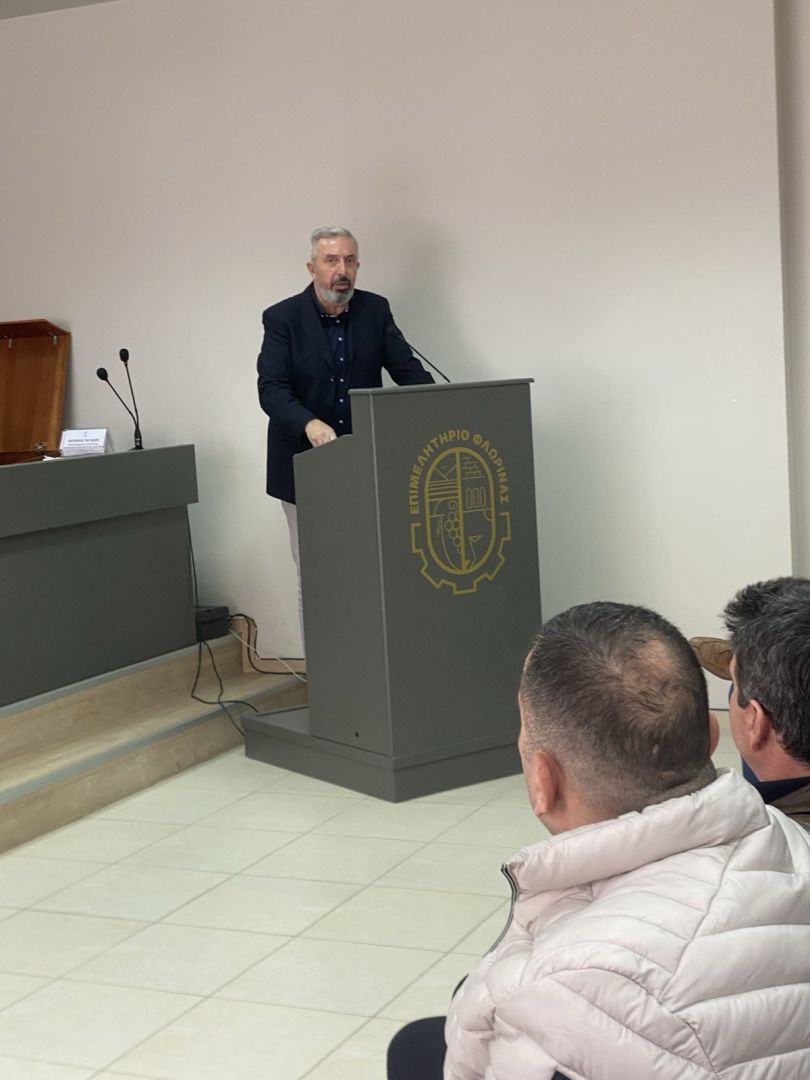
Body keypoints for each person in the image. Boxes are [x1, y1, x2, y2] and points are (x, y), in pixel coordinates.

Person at [389, 601, 810, 1080]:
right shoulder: (787, 833)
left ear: (542, 783)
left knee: (414, 1047)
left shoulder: (568, 986)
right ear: (711, 735)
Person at [256, 227, 433, 641]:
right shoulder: (282, 319)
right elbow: (271, 388)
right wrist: (309, 423)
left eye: (350, 261)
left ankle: (367, 662)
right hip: (304, 469)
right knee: (318, 575)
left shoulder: (375, 311)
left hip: (365, 466)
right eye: (332, 260)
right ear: (312, 267)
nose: (343, 270)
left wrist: (440, 406)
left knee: (370, 569)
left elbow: (407, 371)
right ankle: (324, 670)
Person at [693, 576, 810, 831]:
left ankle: (753, 667)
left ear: (755, 722)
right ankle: (770, 663)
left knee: (750, 695)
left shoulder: (764, 839)